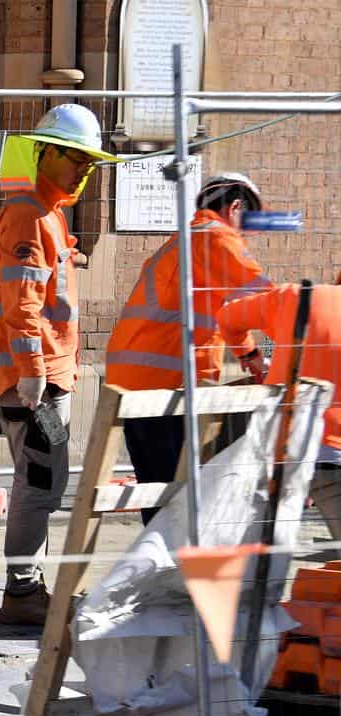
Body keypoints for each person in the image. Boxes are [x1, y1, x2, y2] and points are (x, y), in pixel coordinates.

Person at [0, 104, 120, 625]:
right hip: (28, 381)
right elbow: (22, 303)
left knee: (43, 483)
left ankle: (27, 588)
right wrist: (33, 371)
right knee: (38, 485)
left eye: (89, 160)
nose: (85, 168)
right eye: (76, 158)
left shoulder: (47, 215)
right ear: (45, 153)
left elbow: (37, 278)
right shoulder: (30, 215)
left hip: (41, 377)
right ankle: (21, 592)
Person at [106, 173, 273, 522]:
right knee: (174, 494)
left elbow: (226, 312)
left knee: (161, 487)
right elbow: (266, 300)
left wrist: (249, 355)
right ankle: (171, 569)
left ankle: (167, 567)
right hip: (165, 380)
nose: (247, 235)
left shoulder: (186, 241)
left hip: (140, 377)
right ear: (236, 207)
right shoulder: (216, 238)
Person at [217, 274, 341, 546]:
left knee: (254, 558)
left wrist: (249, 356)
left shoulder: (294, 297)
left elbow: (226, 317)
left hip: (278, 446)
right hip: (333, 456)